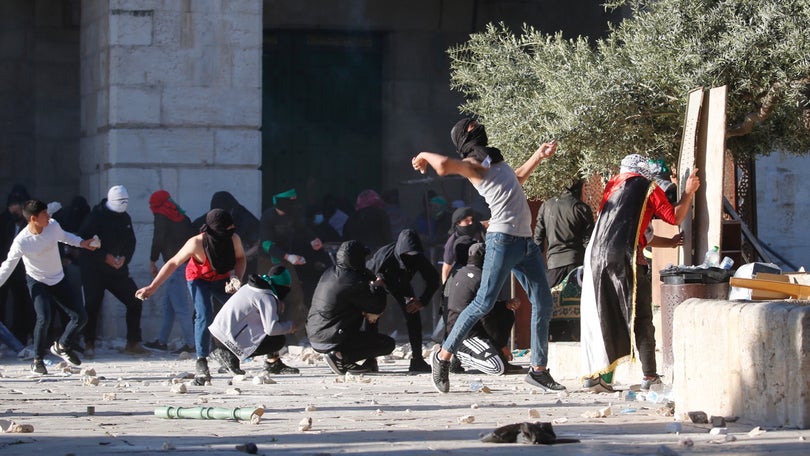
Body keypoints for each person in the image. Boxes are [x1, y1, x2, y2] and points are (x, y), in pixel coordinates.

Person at [411, 117, 563, 393]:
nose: (477, 125)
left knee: (543, 302)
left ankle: (538, 370)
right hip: (503, 240)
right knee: (483, 302)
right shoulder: (473, 166)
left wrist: (538, 156)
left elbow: (516, 179)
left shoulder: (492, 162)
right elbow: (444, 166)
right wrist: (423, 154)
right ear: (464, 139)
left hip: (525, 242)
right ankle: (443, 356)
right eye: (470, 126)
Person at [579, 154, 699, 392]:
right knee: (642, 318)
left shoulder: (612, 187)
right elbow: (674, 217)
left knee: (604, 313)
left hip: (596, 258)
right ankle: (650, 377)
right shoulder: (646, 186)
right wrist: (688, 193)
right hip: (629, 261)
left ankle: (596, 376)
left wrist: (671, 243)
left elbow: (641, 235)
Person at [135, 208, 247, 383]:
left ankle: (225, 352)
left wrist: (236, 278)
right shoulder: (196, 243)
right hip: (198, 278)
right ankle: (201, 360)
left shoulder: (233, 239)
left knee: (237, 311)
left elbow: (240, 258)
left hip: (221, 278)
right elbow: (173, 263)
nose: (227, 234)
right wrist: (152, 287)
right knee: (204, 314)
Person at [0, 200, 98, 374]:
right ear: (33, 218)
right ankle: (38, 360)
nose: (48, 216)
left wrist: (82, 242)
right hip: (37, 281)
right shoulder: (22, 241)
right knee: (44, 318)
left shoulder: (52, 225)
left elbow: (65, 236)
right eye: (44, 214)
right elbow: (8, 266)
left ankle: (62, 346)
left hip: (58, 279)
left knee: (80, 316)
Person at [78, 185, 148, 356]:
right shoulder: (96, 217)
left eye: (126, 201)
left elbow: (131, 242)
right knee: (92, 306)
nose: (123, 204)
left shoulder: (125, 218)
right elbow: (83, 243)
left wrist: (124, 258)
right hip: (94, 271)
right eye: (120, 201)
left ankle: (133, 342)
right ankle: (89, 343)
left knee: (135, 300)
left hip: (117, 270)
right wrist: (104, 257)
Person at [307, 240, 394, 374]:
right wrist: (378, 287)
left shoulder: (331, 272)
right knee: (387, 344)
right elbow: (377, 307)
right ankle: (340, 357)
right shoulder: (352, 281)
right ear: (357, 259)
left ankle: (351, 359)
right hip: (331, 338)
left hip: (317, 334)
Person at [366, 228, 440, 373]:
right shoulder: (384, 255)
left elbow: (433, 279)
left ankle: (417, 359)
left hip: (402, 284)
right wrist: (376, 281)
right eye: (406, 254)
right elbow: (368, 274)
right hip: (380, 283)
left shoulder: (418, 257)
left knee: (413, 315)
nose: (410, 258)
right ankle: (370, 359)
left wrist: (422, 301)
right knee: (372, 318)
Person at [258, 188, 325, 343]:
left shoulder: (293, 214)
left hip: (287, 261)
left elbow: (302, 228)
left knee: (295, 296)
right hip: (269, 262)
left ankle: (290, 334)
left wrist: (313, 239)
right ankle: (268, 337)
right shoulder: (268, 218)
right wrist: (288, 256)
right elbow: (267, 244)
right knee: (271, 299)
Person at [445, 242, 521, 375]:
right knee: (498, 367)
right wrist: (503, 348)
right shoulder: (481, 279)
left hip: (459, 329)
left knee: (506, 314)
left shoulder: (459, 273)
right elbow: (485, 316)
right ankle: (460, 353)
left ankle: (487, 354)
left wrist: (504, 304)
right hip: (468, 335)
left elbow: (471, 304)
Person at [208, 266, 299, 376]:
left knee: (270, 319)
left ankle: (231, 359)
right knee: (278, 339)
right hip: (226, 338)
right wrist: (290, 326)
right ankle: (228, 354)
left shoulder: (250, 286)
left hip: (218, 332)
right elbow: (271, 329)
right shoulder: (266, 297)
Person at [143, 191, 196, 353]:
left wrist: (152, 260)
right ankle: (162, 341)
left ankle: (191, 344)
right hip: (184, 264)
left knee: (180, 306)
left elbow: (158, 239)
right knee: (169, 306)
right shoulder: (182, 217)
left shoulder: (161, 216)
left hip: (175, 267)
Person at [533, 179, 594, 288]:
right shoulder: (581, 208)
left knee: (553, 302)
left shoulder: (546, 206)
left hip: (554, 265)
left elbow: (538, 240)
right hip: (577, 263)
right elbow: (589, 241)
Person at [194, 191, 261, 277]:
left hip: (243, 263)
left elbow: (258, 244)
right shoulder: (207, 220)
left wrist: (242, 256)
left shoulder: (246, 221)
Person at [0, 184, 34, 344]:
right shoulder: (4, 221)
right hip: (4, 268)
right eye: (12, 207)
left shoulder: (31, 223)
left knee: (23, 303)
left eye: (18, 207)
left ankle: (22, 336)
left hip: (24, 269)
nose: (15, 210)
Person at [441, 206, 485, 285]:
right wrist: (445, 290)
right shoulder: (452, 242)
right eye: (466, 221)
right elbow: (446, 268)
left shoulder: (480, 231)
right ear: (458, 223)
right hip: (464, 279)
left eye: (471, 220)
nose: (470, 223)